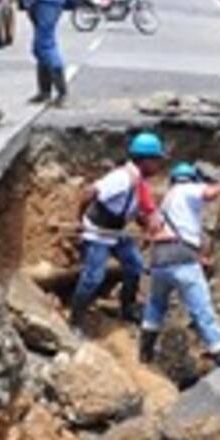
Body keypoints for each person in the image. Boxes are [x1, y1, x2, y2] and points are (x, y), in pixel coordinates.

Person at [139, 162, 220, 374]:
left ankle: (144, 353)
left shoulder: (167, 200)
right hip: (182, 261)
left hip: (160, 260)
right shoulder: (188, 189)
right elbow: (208, 193)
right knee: (203, 312)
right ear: (190, 179)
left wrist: (198, 258)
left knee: (155, 304)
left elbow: (177, 233)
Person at [69, 132, 166, 330]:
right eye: (156, 160)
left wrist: (148, 227)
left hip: (116, 232)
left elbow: (133, 210)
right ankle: (75, 320)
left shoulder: (139, 182)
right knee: (93, 277)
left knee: (135, 265)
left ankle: (127, 308)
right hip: (97, 232)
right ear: (145, 161)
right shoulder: (121, 178)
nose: (158, 166)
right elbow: (90, 193)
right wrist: (79, 221)